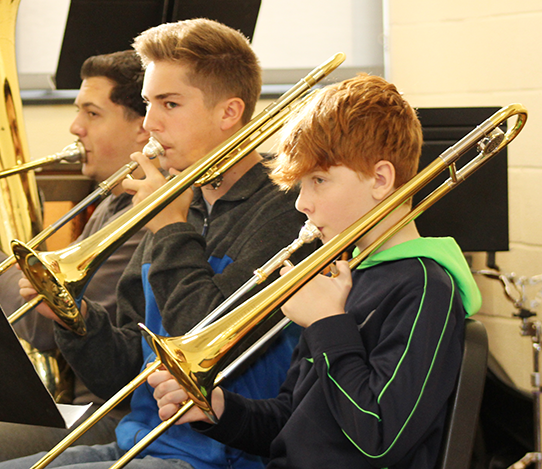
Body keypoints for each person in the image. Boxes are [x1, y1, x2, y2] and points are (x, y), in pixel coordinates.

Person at [0, 18, 310, 469]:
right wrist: (75, 321)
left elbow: (209, 350)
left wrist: (171, 229)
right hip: (143, 442)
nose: (150, 123)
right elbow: (125, 375)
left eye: (170, 104)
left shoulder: (286, 209)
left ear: (229, 113)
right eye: (150, 103)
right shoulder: (177, 200)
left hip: (223, 457)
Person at [148, 74, 482, 469]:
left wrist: (327, 324)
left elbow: (379, 438)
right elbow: (291, 424)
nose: (302, 203)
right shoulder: (345, 275)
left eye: (319, 181)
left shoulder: (423, 286)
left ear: (380, 179)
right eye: (302, 184)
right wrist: (218, 410)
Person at [0, 50, 151, 469]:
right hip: (85, 402)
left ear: (144, 131)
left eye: (92, 114)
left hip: (115, 412)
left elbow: (43, 328)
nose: (76, 128)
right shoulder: (110, 200)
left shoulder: (142, 218)